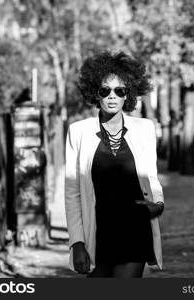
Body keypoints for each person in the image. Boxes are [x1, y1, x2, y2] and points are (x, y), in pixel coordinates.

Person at [65, 51, 164, 278]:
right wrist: (76, 242)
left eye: (119, 91)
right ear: (95, 94)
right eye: (105, 90)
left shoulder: (145, 129)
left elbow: (151, 177)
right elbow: (72, 193)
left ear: (127, 95)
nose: (112, 96)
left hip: (134, 230)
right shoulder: (78, 132)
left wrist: (158, 203)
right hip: (97, 234)